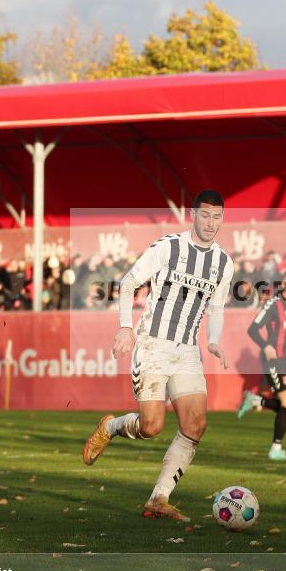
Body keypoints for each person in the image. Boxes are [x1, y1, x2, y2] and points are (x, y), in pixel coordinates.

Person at [81, 190, 234, 522]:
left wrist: (215, 341)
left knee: (196, 424)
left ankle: (158, 499)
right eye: (205, 215)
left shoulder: (223, 263)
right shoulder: (168, 247)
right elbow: (128, 282)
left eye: (217, 216)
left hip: (188, 351)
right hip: (152, 344)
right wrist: (125, 327)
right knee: (151, 427)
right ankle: (112, 426)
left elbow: (217, 307)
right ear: (193, 215)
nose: (211, 223)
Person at [237, 268, 286, 461]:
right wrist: (266, 346)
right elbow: (253, 329)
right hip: (276, 361)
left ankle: (256, 400)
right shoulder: (274, 304)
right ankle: (275, 448)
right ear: (283, 284)